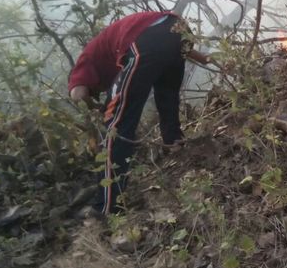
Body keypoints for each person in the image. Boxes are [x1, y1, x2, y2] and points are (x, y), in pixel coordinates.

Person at [68, 11, 212, 215]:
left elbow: (77, 93)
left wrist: (95, 106)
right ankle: (175, 146)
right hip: (177, 28)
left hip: (146, 38)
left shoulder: (87, 58)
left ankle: (107, 206)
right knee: (167, 97)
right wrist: (207, 59)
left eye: (98, 90)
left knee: (115, 124)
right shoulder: (110, 46)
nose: (102, 91)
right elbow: (173, 41)